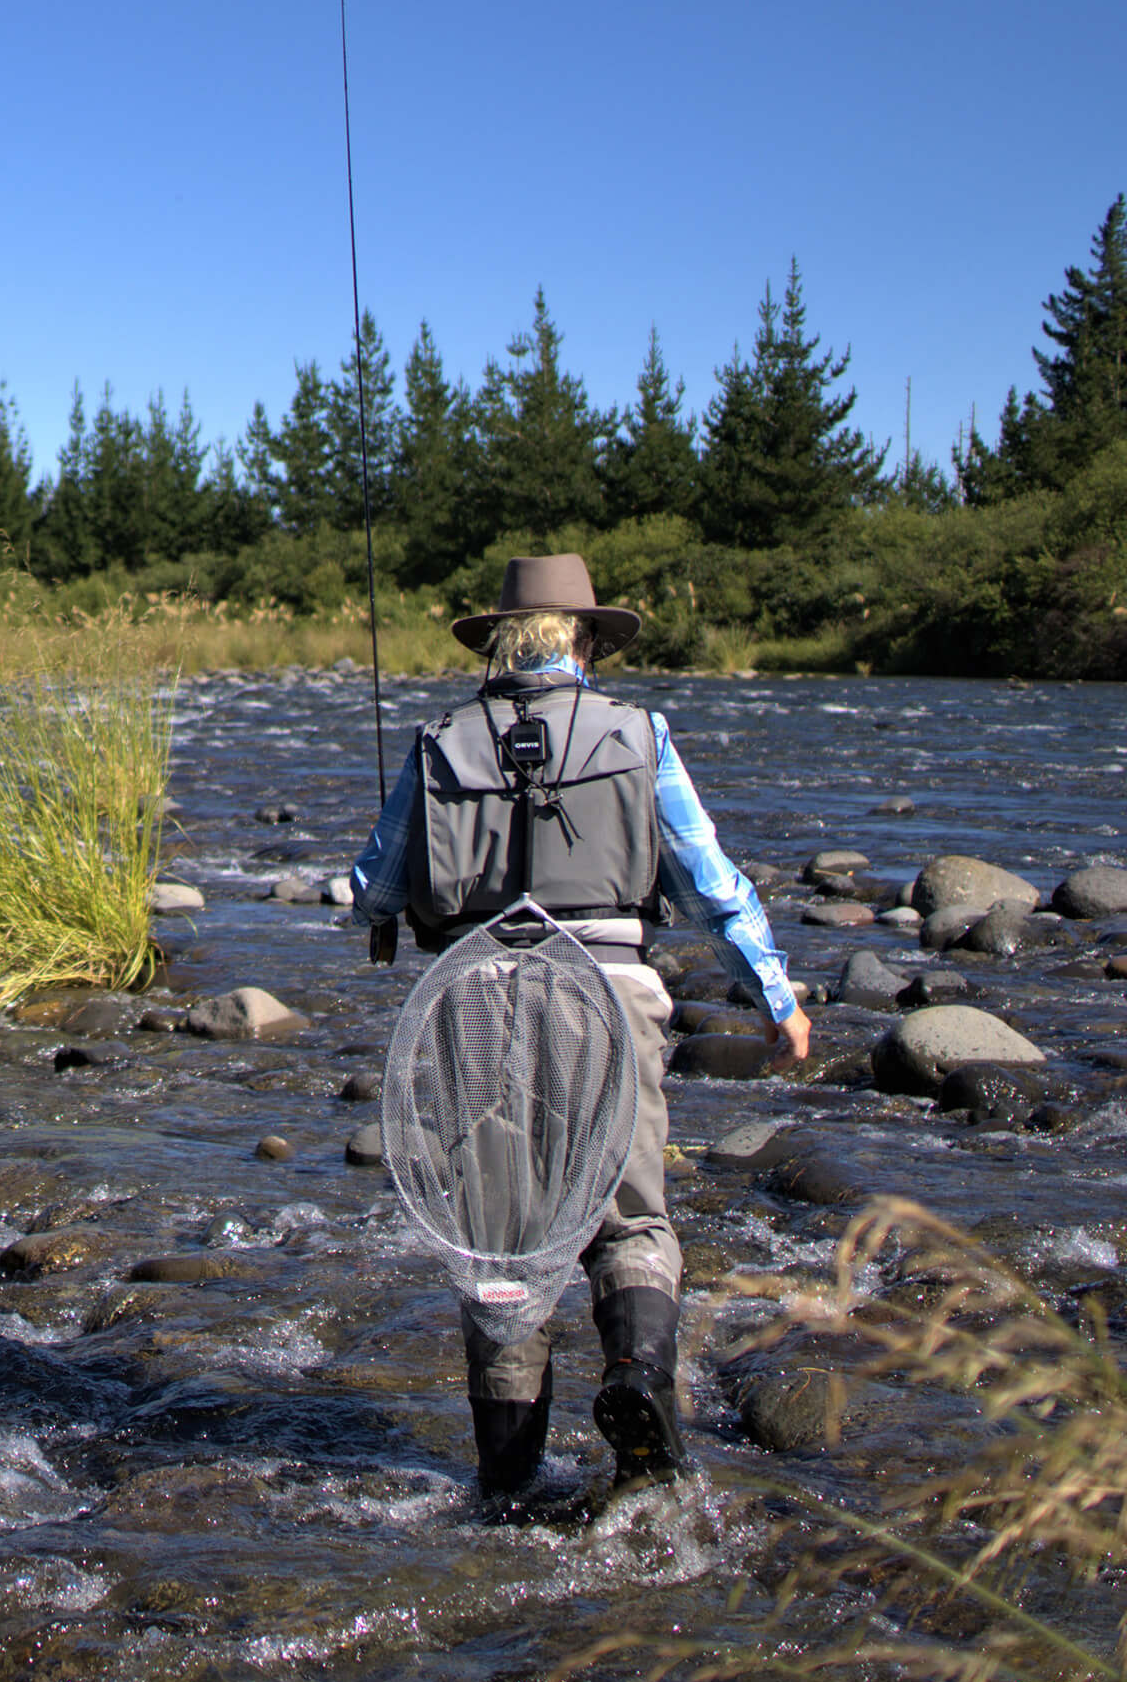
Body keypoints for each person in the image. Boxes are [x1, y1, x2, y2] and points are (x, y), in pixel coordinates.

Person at [346, 553, 807, 1503]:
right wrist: (775, 995)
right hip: (609, 995)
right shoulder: (641, 737)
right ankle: (639, 1386)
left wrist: (389, 908)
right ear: (584, 643)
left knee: (503, 1244)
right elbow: (709, 883)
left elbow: (375, 890)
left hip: (471, 1001)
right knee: (632, 1216)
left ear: (499, 645)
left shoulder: (438, 743)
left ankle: (507, 1488)